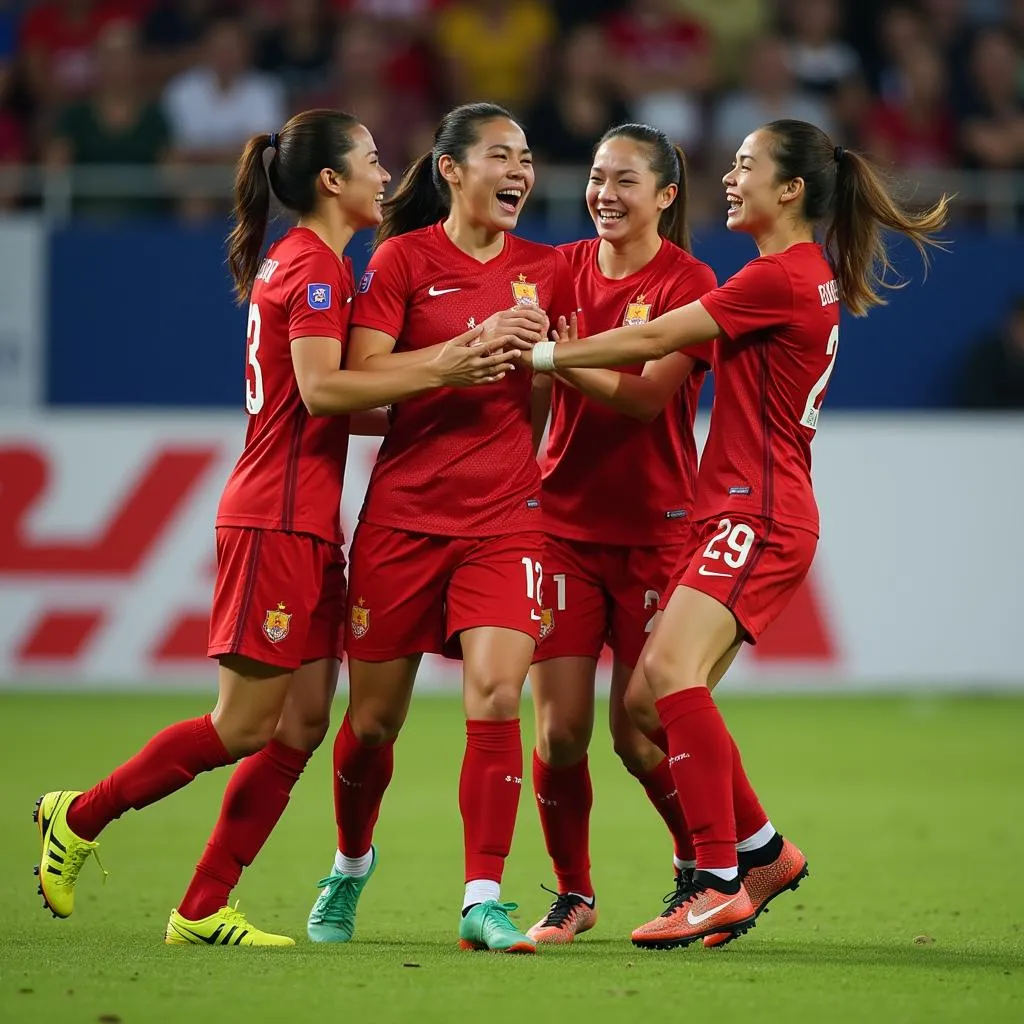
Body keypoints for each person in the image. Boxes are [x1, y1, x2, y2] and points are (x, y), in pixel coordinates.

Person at [33, 108, 519, 947]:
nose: (382, 172)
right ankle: (79, 814)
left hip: (305, 521)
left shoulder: (306, 263)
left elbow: (340, 408)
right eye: (369, 159)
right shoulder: (319, 271)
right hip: (275, 520)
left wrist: (443, 394)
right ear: (330, 181)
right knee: (244, 726)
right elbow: (326, 390)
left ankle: (201, 906)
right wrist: (446, 361)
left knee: (298, 727)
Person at [525, 119, 949, 949]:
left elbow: (653, 342)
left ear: (789, 190)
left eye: (747, 165)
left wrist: (547, 358)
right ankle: (763, 855)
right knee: (648, 701)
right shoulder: (794, 273)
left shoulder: (780, 278)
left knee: (669, 677)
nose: (731, 175)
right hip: (742, 509)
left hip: (755, 512)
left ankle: (719, 879)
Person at [304, 102, 576, 955]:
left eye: (527, 157)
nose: (520, 171)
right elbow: (359, 381)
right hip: (404, 520)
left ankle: (483, 897)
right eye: (501, 154)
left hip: (505, 521)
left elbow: (541, 394)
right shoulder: (400, 261)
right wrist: (463, 353)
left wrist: (515, 470)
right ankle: (350, 865)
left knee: (497, 695)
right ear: (452, 169)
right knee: (374, 724)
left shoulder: (549, 269)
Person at [526, 123, 716, 945]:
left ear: (666, 196)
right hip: (561, 527)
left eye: (626, 180)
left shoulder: (690, 281)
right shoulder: (557, 270)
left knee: (639, 734)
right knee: (560, 732)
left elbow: (644, 399)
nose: (604, 193)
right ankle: (574, 894)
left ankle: (697, 873)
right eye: (598, 176)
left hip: (657, 533)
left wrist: (559, 359)